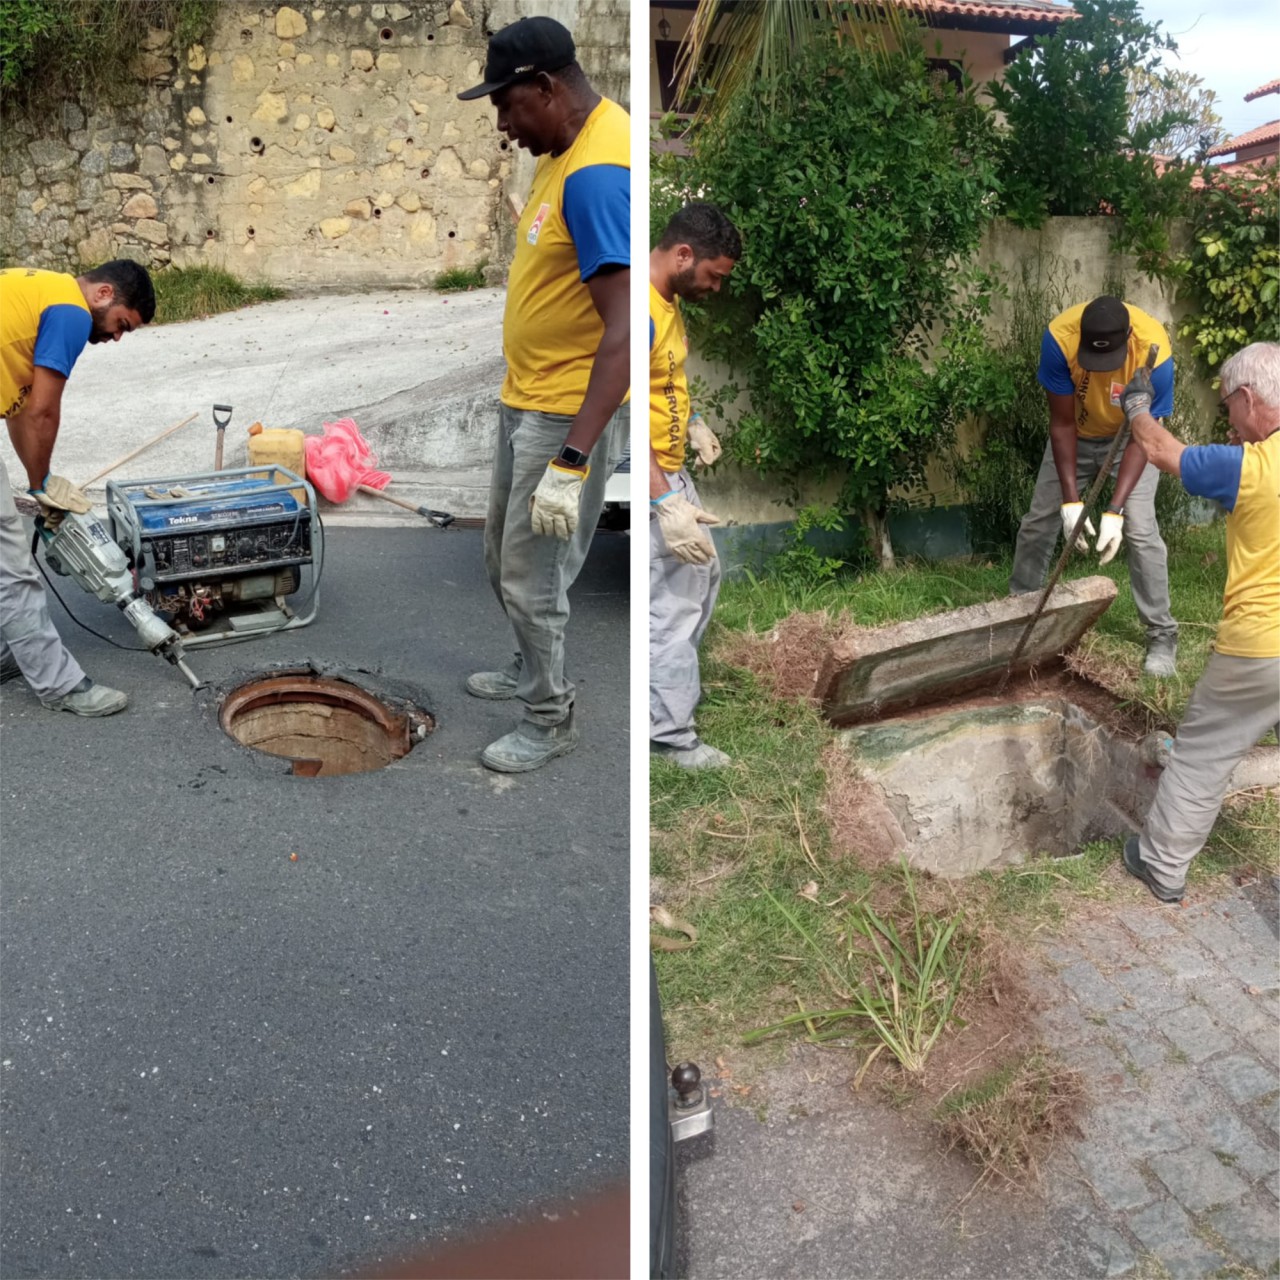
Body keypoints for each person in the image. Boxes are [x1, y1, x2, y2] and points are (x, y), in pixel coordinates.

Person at [457, 16, 630, 773]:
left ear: (547, 88)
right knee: (503, 560)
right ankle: (530, 668)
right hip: (525, 396)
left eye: (507, 105)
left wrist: (572, 459)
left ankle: (549, 717)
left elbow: (625, 331)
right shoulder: (560, 150)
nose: (503, 125)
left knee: (535, 577)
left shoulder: (596, 175)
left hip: (564, 411)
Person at [1117, 341, 1280, 903]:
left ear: (1249, 397)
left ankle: (1160, 864)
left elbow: (1162, 450)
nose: (1229, 421)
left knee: (1202, 757)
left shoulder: (1249, 468)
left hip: (1260, 648)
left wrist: (1137, 405)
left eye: (1229, 407)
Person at [1, 260, 155, 716]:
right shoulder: (69, 310)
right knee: (14, 568)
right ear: (104, 293)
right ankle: (59, 685)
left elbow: (17, 410)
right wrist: (42, 486)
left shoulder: (35, 287)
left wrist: (38, 484)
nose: (116, 337)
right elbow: (43, 412)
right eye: (121, 324)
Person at [1010, 295, 1180, 677]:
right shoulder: (1059, 338)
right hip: (1077, 436)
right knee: (1040, 520)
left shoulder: (1156, 352)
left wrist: (1115, 510)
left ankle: (1162, 634)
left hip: (1133, 437)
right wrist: (1071, 501)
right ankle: (1021, 612)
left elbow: (1145, 438)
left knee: (1140, 530)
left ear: (1128, 337)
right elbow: (1062, 424)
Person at [648, 203, 741, 769]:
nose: (717, 287)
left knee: (702, 577)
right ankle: (670, 734)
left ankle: (667, 703)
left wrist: (695, 419)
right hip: (653, 474)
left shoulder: (669, 301)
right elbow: (625, 409)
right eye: (715, 275)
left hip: (673, 464)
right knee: (672, 608)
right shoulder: (642, 308)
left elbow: (664, 380)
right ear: (685, 254)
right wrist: (663, 501)